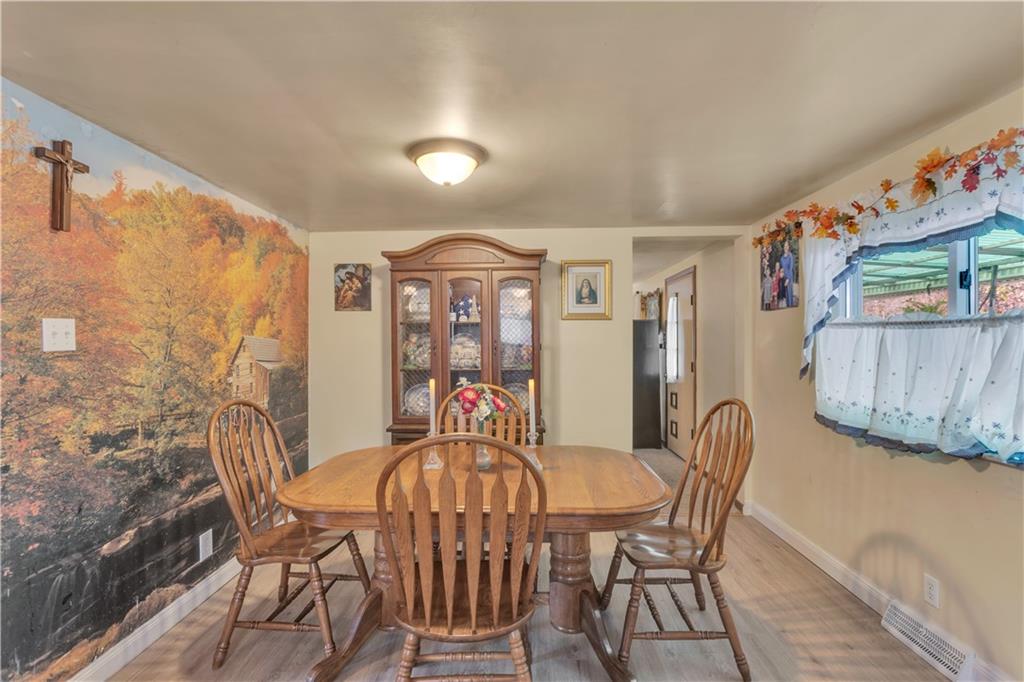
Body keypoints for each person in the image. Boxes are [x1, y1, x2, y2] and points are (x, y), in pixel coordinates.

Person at [780, 241, 796, 308]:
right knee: (785, 296)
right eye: (785, 246)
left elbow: (791, 268)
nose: (786, 247)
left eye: (787, 246)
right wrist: (781, 273)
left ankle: (790, 307)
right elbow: (782, 268)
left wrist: (788, 279)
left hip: (789, 278)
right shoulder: (781, 258)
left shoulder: (790, 256)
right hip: (784, 278)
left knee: (789, 295)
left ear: (789, 247)